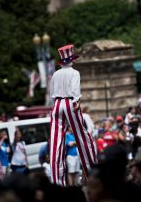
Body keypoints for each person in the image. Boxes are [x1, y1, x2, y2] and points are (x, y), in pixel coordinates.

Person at [50, 44, 97, 186]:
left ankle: (57, 182)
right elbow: (76, 91)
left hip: (57, 104)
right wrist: (76, 102)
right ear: (72, 60)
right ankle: (91, 172)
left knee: (55, 142)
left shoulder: (55, 74)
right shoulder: (74, 73)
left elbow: (53, 93)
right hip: (70, 103)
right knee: (83, 137)